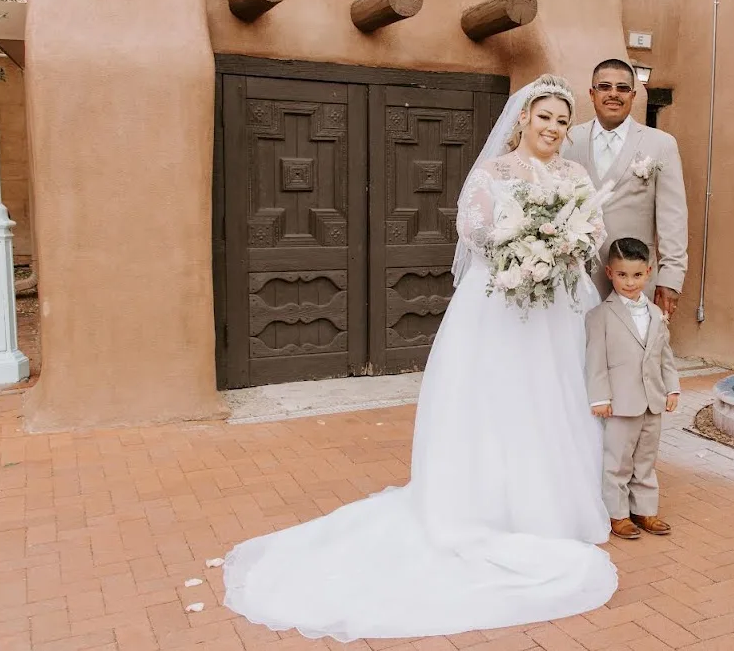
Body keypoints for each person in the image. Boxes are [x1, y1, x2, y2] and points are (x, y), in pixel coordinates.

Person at [220, 75, 618, 642]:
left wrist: (562, 244)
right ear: (523, 119)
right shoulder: (494, 173)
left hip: (554, 309)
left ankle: (551, 507)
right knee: (495, 397)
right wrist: (525, 240)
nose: (552, 129)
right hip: (499, 304)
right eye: (544, 117)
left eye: (561, 120)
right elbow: (472, 230)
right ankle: (485, 503)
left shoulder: (575, 175)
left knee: (550, 397)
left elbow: (592, 232)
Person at [562, 59, 688, 320]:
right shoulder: (569, 140)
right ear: (592, 93)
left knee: (632, 355)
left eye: (622, 88)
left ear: (632, 95)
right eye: (605, 86)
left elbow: (673, 218)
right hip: (576, 276)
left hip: (634, 279)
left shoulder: (660, 144)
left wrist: (671, 278)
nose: (613, 94)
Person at [585, 238, 681, 540]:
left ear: (648, 272)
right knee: (618, 461)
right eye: (623, 275)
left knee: (646, 459)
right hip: (620, 403)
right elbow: (595, 362)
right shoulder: (600, 316)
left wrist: (672, 389)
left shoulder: (655, 313)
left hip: (652, 401)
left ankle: (645, 510)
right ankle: (618, 514)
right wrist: (600, 397)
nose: (630, 282)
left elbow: (665, 355)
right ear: (610, 273)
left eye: (637, 275)